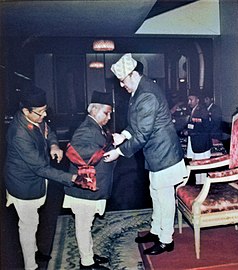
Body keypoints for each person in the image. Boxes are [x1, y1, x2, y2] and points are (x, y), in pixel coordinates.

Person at [103, 53, 187, 255]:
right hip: (156, 154)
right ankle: (156, 230)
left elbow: (142, 135)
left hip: (164, 154)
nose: (122, 86)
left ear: (132, 74)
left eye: (123, 81)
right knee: (155, 194)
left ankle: (166, 240)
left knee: (164, 197)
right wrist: (123, 135)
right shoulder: (141, 89)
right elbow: (137, 124)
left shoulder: (146, 94)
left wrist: (119, 152)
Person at [4, 85, 78, 270]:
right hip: (23, 183)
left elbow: (48, 130)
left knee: (34, 220)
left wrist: (54, 145)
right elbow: (40, 168)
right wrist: (71, 178)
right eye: (40, 112)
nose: (44, 116)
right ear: (25, 111)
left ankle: (34, 250)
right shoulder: (19, 134)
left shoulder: (36, 118)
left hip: (36, 178)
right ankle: (31, 266)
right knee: (28, 226)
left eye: (45, 111)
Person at [63, 91, 117, 269]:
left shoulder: (94, 126)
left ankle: (89, 255)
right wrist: (104, 154)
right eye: (106, 113)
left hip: (91, 187)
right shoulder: (87, 129)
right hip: (84, 188)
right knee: (83, 225)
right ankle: (87, 263)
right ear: (94, 110)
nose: (109, 117)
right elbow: (75, 152)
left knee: (87, 224)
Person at [183, 91, 212, 184]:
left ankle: (202, 187)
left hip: (201, 143)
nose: (189, 102)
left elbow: (205, 127)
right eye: (188, 100)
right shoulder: (192, 110)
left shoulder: (202, 110)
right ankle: (198, 186)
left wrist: (190, 132)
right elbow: (191, 124)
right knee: (196, 166)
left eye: (191, 100)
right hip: (194, 142)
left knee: (202, 167)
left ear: (197, 100)